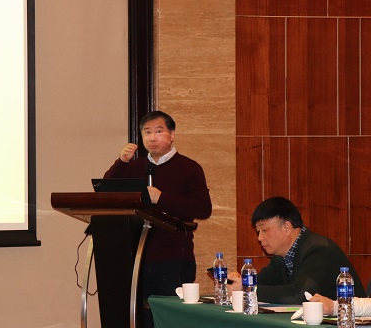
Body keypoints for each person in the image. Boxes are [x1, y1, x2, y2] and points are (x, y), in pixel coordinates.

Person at [103, 110, 212, 328]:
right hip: (137, 256)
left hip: (173, 256)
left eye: (159, 131)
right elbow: (105, 191)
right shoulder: (135, 166)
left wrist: (161, 198)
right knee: (140, 319)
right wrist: (121, 162)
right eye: (147, 132)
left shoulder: (189, 168)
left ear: (172, 135)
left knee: (171, 319)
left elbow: (203, 208)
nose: (152, 137)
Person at [227, 197, 366, 304]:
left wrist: (247, 288)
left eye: (264, 230)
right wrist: (236, 282)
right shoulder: (281, 256)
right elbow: (262, 282)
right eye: (258, 232)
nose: (260, 238)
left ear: (287, 227)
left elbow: (300, 295)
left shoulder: (319, 250)